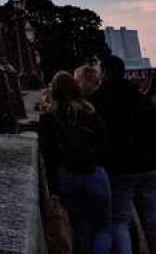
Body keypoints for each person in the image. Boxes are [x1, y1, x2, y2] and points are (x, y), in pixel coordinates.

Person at [40, 71, 113, 254]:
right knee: (102, 228)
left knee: (81, 229)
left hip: (67, 176)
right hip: (95, 173)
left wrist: (53, 188)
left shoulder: (49, 118)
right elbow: (104, 145)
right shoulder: (90, 112)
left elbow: (49, 155)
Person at [92, 54, 156, 254]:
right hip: (148, 164)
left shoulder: (97, 100)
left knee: (120, 220)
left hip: (120, 167)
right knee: (152, 216)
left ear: (104, 71)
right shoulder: (140, 97)